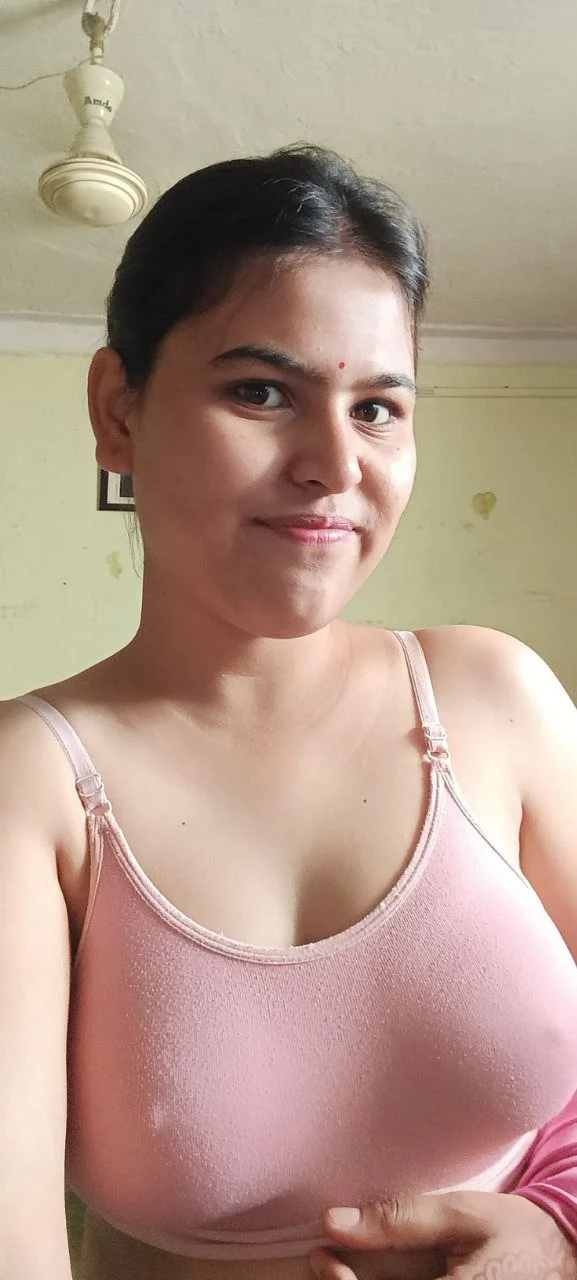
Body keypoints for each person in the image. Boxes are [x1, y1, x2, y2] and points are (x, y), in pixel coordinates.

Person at [2, 143, 577, 1280]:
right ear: (118, 411)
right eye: (260, 392)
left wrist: (561, 1221)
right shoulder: (33, 783)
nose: (333, 463)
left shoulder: (492, 696)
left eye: (377, 408)